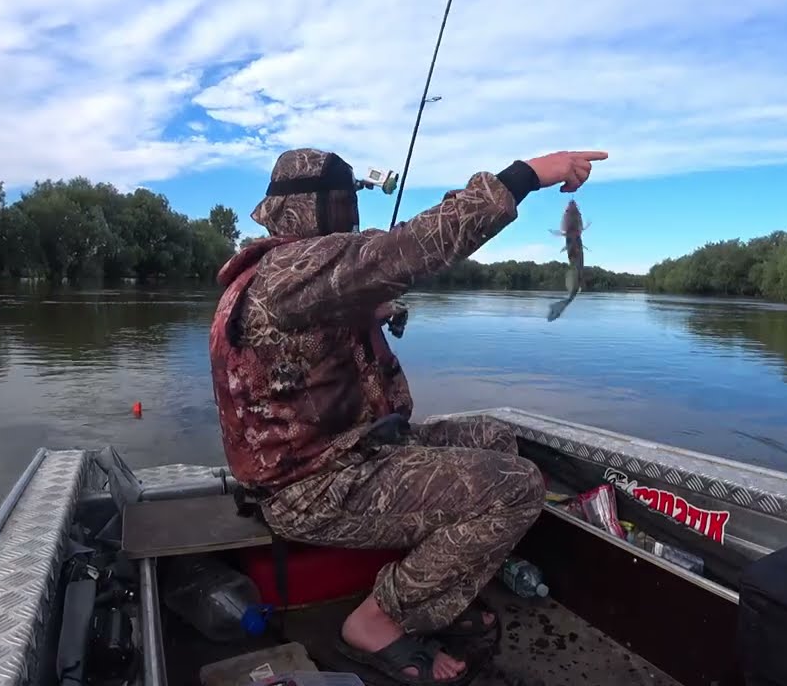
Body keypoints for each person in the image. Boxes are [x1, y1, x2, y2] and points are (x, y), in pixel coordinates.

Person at [209, 147, 608, 684]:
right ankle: (376, 621)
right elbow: (410, 248)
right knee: (515, 487)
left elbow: (342, 302)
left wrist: (367, 311)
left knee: (494, 437)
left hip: (354, 449)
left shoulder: (294, 274)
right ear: (314, 207)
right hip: (313, 487)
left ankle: (434, 591)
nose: (352, 214)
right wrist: (526, 177)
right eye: (344, 202)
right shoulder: (288, 271)